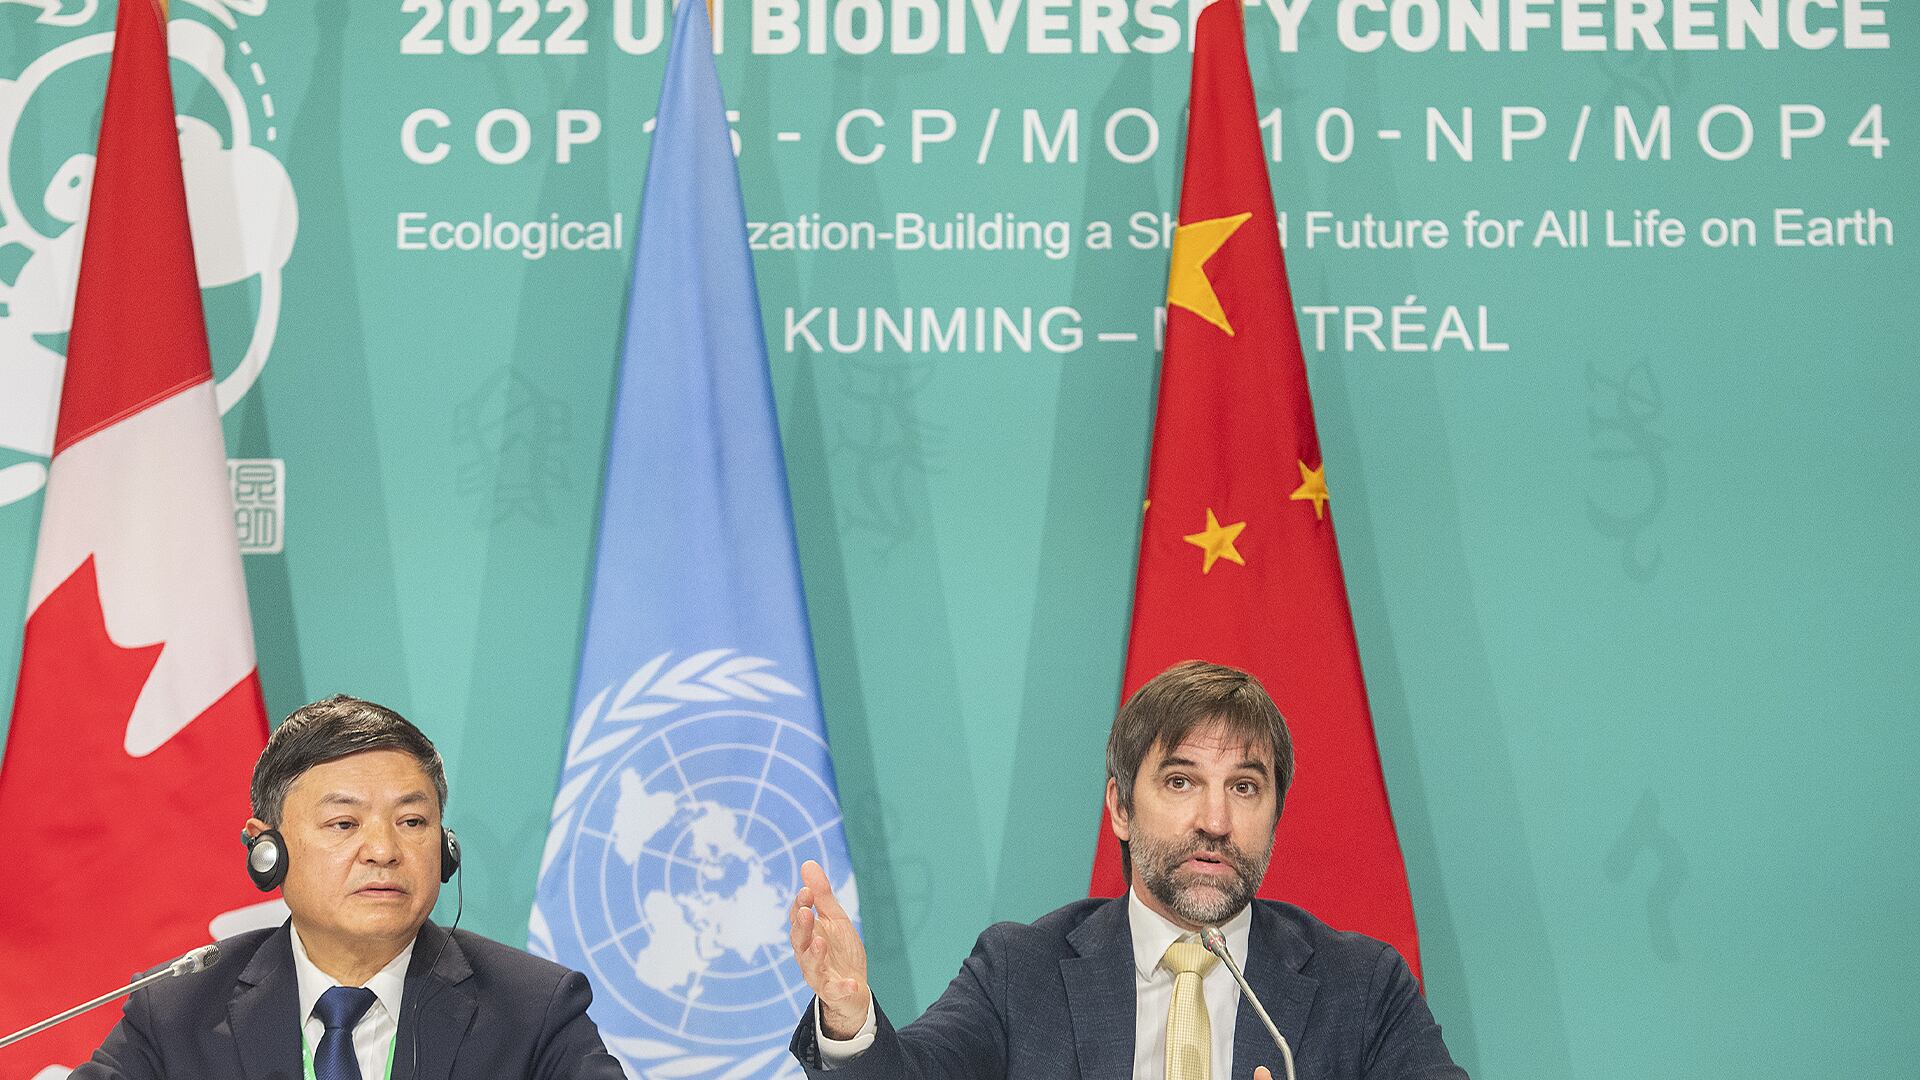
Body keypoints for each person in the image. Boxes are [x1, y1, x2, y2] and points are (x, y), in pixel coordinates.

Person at [788, 661, 1467, 1080]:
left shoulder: (1362, 986)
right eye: (1180, 781)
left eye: (1244, 787)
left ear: (1274, 814)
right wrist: (849, 1019)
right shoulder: (1021, 972)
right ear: (1119, 807)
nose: (1215, 821)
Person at [74, 695, 625, 1080]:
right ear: (267, 849)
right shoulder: (178, 1011)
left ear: (444, 847)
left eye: (412, 822)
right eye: (344, 824)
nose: (383, 850)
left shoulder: (533, 1009)